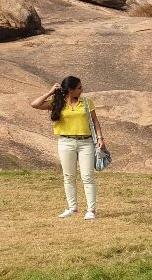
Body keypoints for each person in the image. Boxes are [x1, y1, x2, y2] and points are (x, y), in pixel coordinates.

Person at [29, 76, 105, 220]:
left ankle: (91, 210)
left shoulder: (87, 102)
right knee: (68, 176)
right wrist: (50, 92)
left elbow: (95, 121)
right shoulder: (57, 103)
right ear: (70, 90)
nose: (82, 90)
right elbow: (35, 104)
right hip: (65, 142)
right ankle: (72, 208)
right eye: (79, 88)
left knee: (87, 176)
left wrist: (100, 139)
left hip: (86, 142)